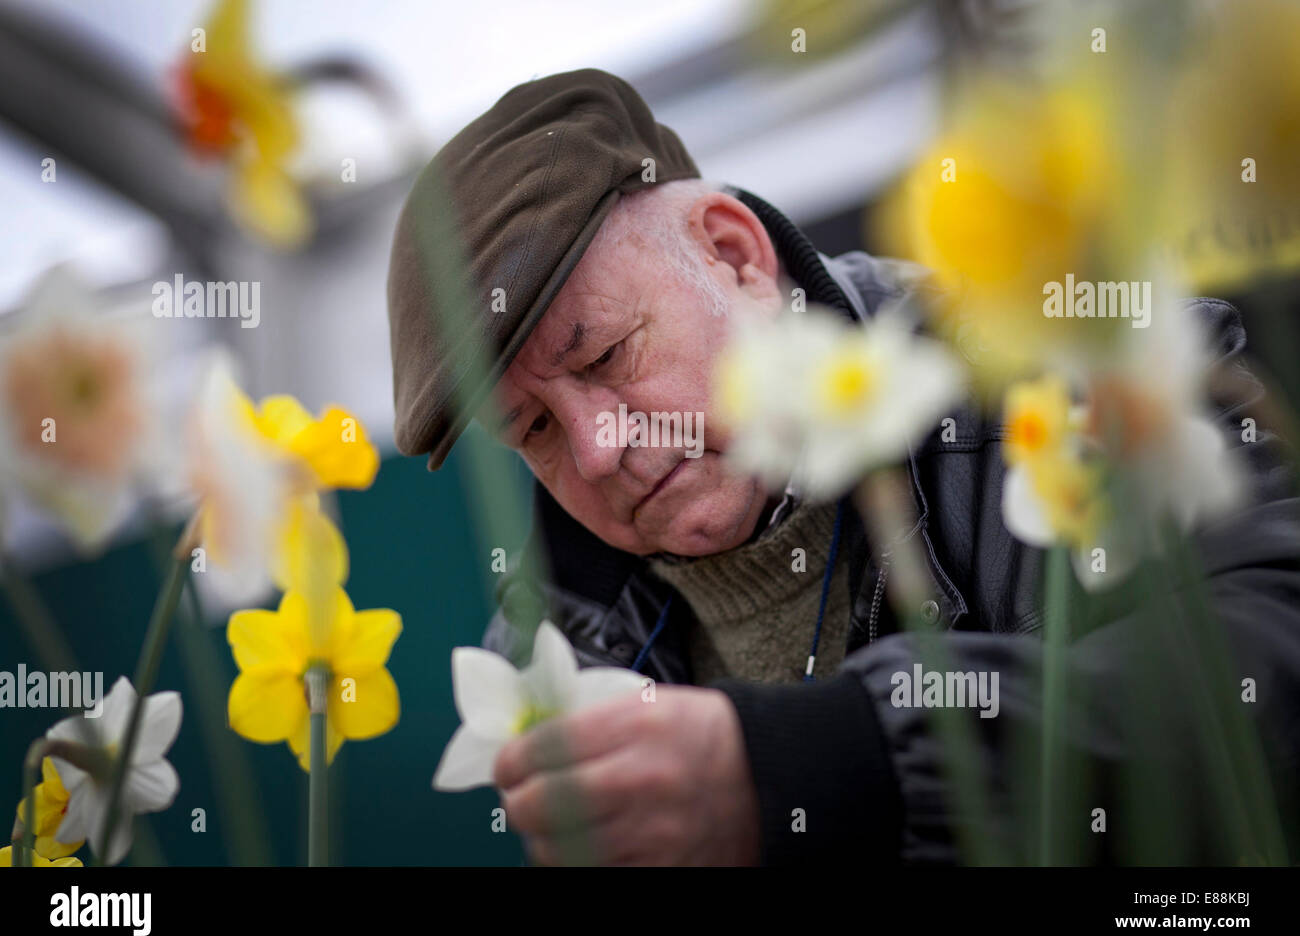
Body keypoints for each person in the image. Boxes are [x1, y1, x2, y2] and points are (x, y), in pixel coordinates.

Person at [387, 69, 1300, 865]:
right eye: (533, 427)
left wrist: (834, 763)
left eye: (607, 356)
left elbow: (1269, 653)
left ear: (734, 254)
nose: (598, 447)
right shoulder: (548, 661)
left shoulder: (1048, 367)